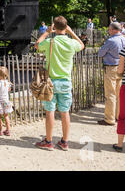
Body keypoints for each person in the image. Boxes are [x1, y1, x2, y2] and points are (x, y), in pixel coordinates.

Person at [34, 16, 84, 151]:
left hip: (51, 82)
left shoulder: (50, 42)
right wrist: (71, 32)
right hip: (66, 81)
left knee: (50, 111)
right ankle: (64, 141)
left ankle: (48, 141)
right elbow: (82, 45)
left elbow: (37, 45)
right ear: (66, 27)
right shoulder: (71, 43)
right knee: (65, 112)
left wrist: (46, 32)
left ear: (54, 27)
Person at [97, 22, 125, 126]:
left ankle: (109, 119)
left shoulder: (111, 41)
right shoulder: (124, 39)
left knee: (110, 93)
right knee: (119, 93)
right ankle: (118, 116)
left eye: (109, 29)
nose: (108, 31)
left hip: (111, 67)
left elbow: (100, 53)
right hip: (121, 67)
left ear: (115, 30)